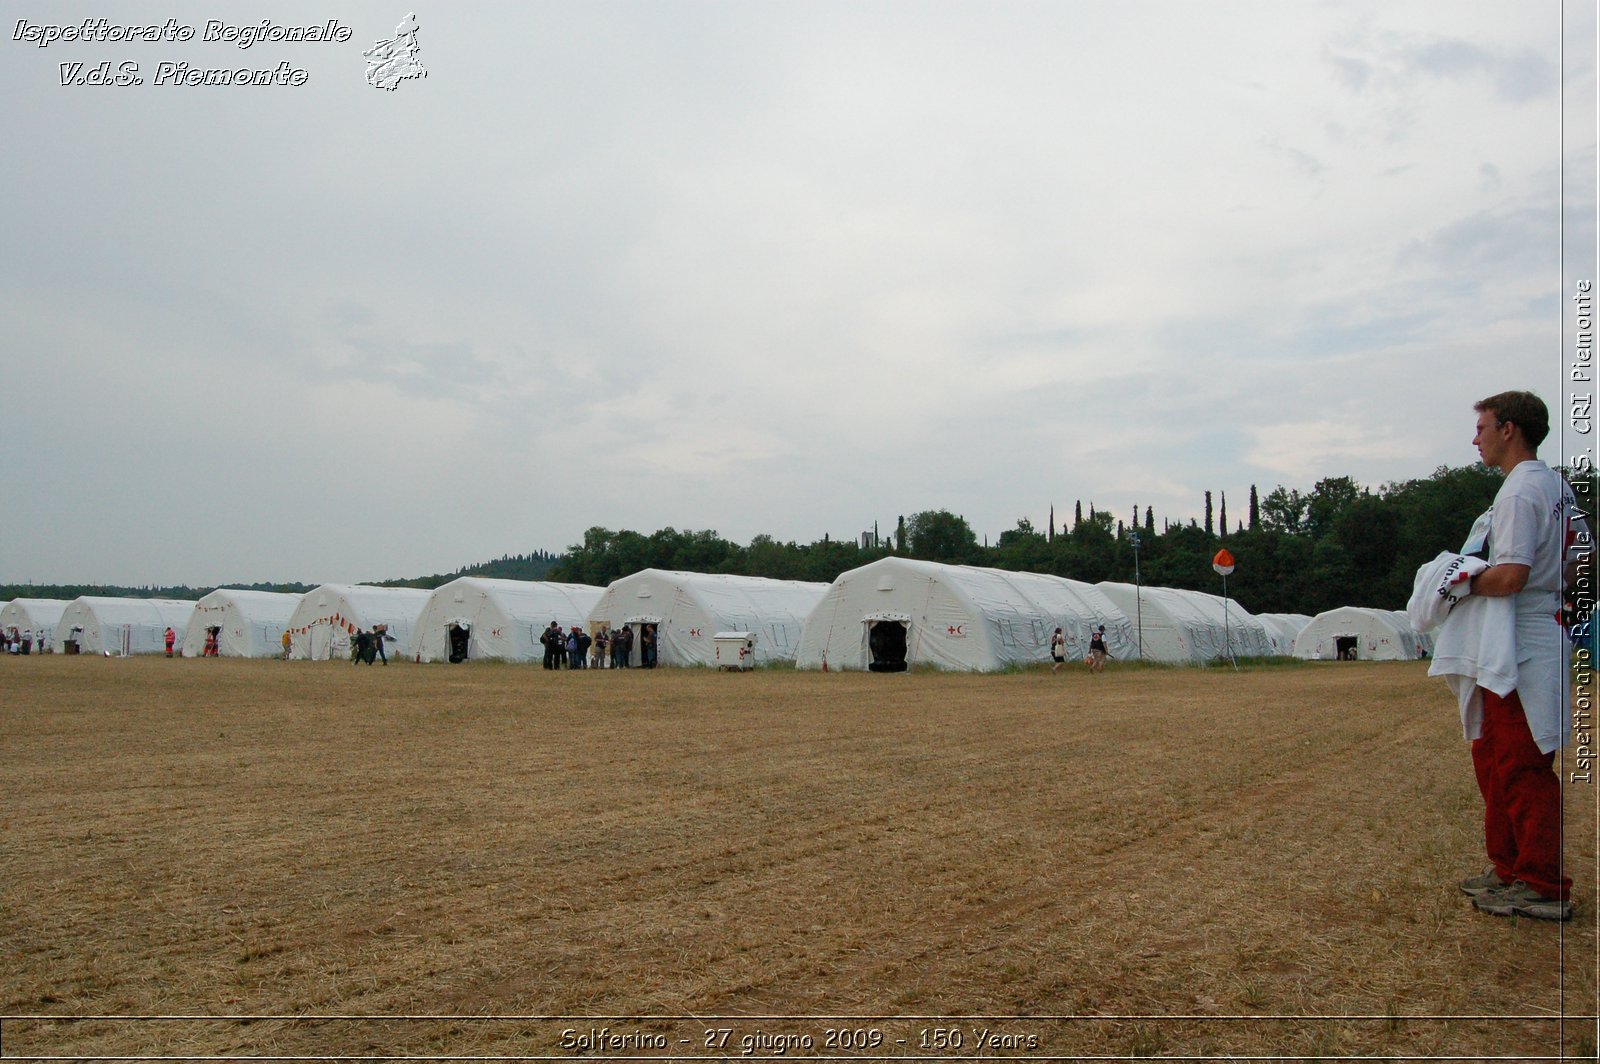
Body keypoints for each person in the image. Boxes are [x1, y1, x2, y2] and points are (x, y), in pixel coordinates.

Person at [1449, 391, 1590, 921]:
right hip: (1535, 633)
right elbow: (1583, 558)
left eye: (1482, 427)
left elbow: (1510, 575)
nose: (1475, 438)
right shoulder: (1555, 486)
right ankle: (1509, 865)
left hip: (1520, 643)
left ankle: (1541, 882)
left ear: (1509, 430)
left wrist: (1455, 581)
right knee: (1494, 756)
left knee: (1520, 763)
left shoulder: (1518, 491)